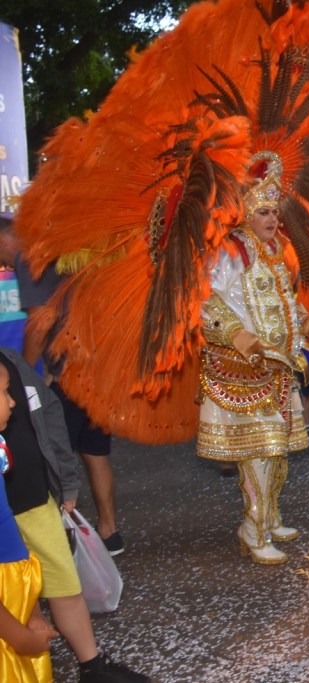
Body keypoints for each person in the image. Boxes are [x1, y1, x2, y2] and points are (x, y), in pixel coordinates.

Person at [197, 152, 309, 566]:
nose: (272, 218)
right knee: (259, 452)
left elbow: (285, 299)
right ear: (246, 214)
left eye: (275, 211)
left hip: (279, 367)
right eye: (263, 211)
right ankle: (253, 527)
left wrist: (304, 321)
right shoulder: (231, 251)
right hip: (246, 368)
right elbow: (206, 301)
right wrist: (237, 334)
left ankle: (270, 517)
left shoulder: (274, 250)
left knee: (278, 449)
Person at [0, 349, 148, 682]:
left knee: (64, 584)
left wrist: (66, 481)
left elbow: (49, 413)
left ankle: (92, 667)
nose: (10, 402)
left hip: (34, 500)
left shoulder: (10, 362)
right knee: (12, 595)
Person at [0, 218, 125, 557]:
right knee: (95, 452)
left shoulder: (31, 256)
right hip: (97, 367)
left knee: (52, 456)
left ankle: (59, 544)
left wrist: (26, 374)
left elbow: (41, 323)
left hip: (68, 374)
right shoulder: (66, 246)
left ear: (5, 238)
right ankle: (109, 532)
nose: (4, 264)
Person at [0, 362, 57, 683]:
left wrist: (32, 610)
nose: (12, 402)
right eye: (5, 393)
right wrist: (18, 637)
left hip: (13, 594)